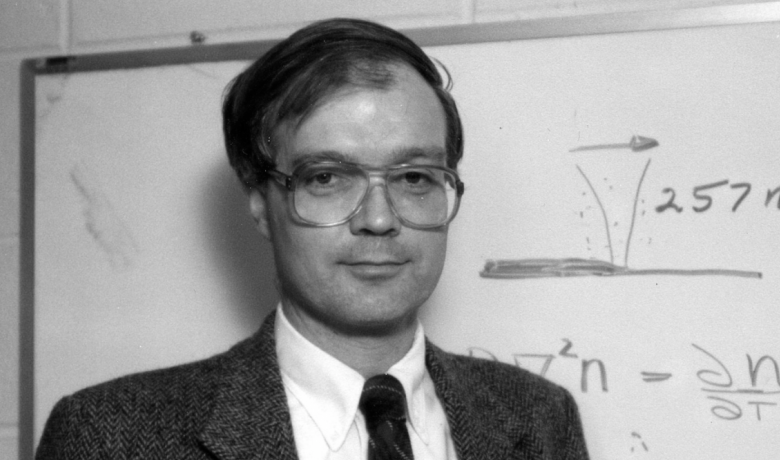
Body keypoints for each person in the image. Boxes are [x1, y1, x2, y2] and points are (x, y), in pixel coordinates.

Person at [36, 18, 590, 460]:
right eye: (327, 177)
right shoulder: (111, 437)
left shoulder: (539, 420)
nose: (378, 219)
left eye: (415, 178)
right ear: (259, 204)